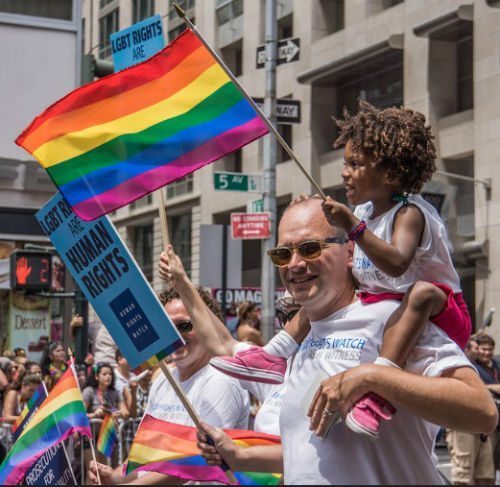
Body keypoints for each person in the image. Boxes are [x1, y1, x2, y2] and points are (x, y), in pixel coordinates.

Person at [211, 100, 471, 440]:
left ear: (390, 175)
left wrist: (352, 227)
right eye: (345, 163)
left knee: (422, 293)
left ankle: (377, 391)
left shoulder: (409, 213)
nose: (345, 171)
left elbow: (396, 264)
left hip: (437, 310)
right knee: (321, 294)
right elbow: (341, 247)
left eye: (356, 164)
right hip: (390, 302)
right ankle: (274, 355)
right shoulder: (363, 210)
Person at [203, 195, 496, 484]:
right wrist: (238, 456)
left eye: (309, 248)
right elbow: (310, 452)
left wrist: (371, 376)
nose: (294, 264)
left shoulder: (392, 317)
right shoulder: (301, 339)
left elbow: (482, 412)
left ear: (351, 252)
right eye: (283, 254)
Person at [88, 287, 250, 485]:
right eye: (166, 327)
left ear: (208, 326)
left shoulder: (221, 380)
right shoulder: (163, 381)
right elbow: (145, 457)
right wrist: (113, 477)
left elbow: (198, 462)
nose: (176, 336)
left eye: (184, 326)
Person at [446, 337, 495, 484]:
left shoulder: (479, 367)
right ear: (465, 349)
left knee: (485, 474)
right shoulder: (454, 366)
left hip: (482, 426)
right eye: (476, 347)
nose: (479, 351)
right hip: (462, 423)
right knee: (464, 474)